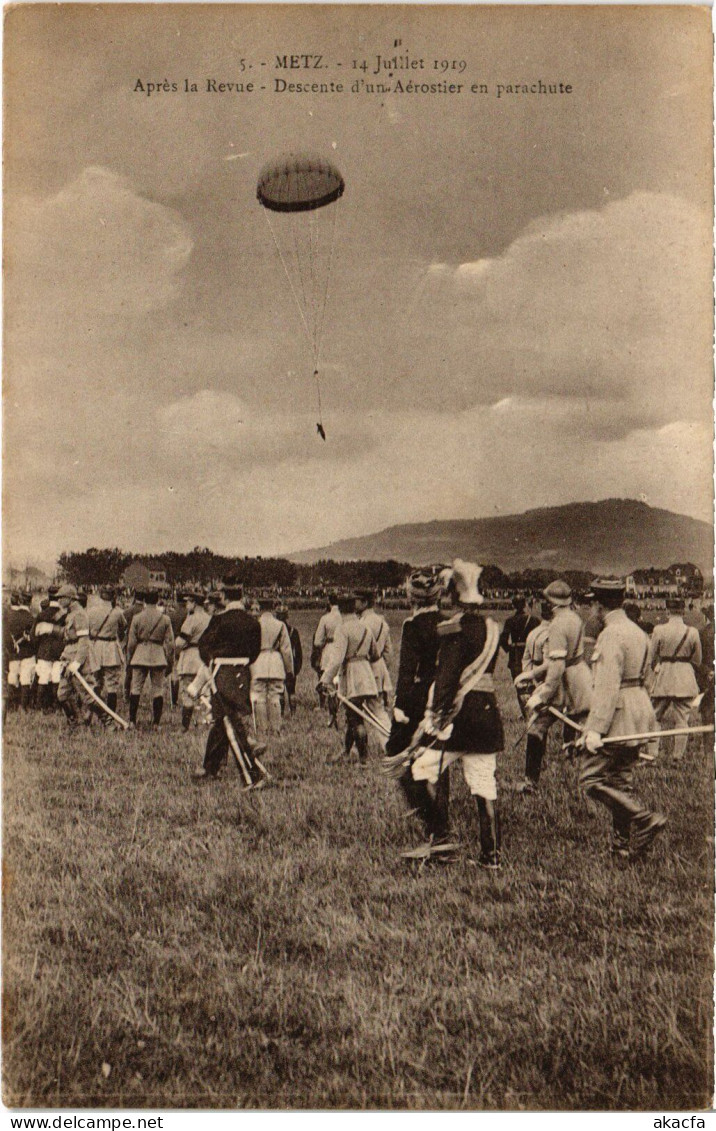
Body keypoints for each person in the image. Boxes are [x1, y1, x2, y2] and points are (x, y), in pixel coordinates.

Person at [409, 560, 504, 869]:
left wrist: (435, 716)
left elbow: (447, 678)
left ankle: (441, 842)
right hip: (486, 715)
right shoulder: (492, 629)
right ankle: (490, 858)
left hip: (457, 718)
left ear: (454, 598)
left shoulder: (453, 629)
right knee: (483, 784)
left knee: (422, 769)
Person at [577, 579, 665, 860]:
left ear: (599, 605)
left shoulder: (611, 635)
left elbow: (607, 686)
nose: (592, 609)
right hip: (639, 708)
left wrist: (595, 730)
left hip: (619, 711)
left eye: (592, 603)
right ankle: (621, 848)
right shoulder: (638, 631)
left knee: (591, 780)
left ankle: (644, 818)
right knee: (620, 781)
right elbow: (648, 677)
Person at [386, 565, 451, 852]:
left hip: (421, 695)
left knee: (398, 751)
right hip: (448, 695)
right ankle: (439, 812)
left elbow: (406, 670)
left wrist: (400, 706)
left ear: (412, 598)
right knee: (440, 756)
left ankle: (431, 819)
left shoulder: (412, 626)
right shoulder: (451, 623)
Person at [193, 577, 266, 787]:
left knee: (230, 722)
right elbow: (255, 651)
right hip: (242, 672)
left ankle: (250, 773)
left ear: (224, 597)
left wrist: (211, 662)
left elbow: (204, 645)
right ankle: (210, 767)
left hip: (221, 672)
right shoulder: (252, 622)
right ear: (242, 598)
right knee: (223, 719)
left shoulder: (219, 620)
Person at [321, 594, 390, 764]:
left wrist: (326, 679)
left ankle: (364, 760)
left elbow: (336, 659)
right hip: (367, 673)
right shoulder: (365, 628)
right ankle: (346, 751)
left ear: (340, 610)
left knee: (355, 718)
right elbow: (375, 654)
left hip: (352, 675)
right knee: (359, 715)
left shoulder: (342, 629)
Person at [525, 579, 593, 745]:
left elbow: (557, 665)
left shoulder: (557, 624)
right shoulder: (575, 618)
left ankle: (532, 772)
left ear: (551, 603)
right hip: (581, 677)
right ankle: (572, 758)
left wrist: (543, 695)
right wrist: (533, 673)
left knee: (536, 726)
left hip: (565, 681)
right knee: (582, 725)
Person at [648, 595, 702, 762]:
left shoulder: (658, 630)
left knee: (655, 716)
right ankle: (677, 756)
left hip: (664, 675)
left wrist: (656, 668)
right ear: (683, 611)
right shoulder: (692, 632)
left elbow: (651, 657)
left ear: (667, 611)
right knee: (682, 719)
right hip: (684, 677)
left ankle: (652, 754)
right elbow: (697, 659)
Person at [512, 599, 554, 793]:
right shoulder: (552, 634)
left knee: (536, 726)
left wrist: (530, 680)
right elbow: (550, 664)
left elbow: (525, 659)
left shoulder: (533, 633)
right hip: (549, 682)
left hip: (536, 681)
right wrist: (540, 682)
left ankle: (531, 776)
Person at [126, 591, 174, 727]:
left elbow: (131, 643)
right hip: (158, 655)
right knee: (158, 689)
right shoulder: (165, 619)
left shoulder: (137, 618)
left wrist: (130, 658)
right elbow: (170, 643)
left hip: (140, 654)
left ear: (145, 602)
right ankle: (156, 723)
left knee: (135, 688)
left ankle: (132, 721)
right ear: (158, 600)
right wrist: (170, 661)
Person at [55, 584, 100, 726]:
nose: (59, 601)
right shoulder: (70, 613)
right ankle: (74, 720)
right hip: (68, 657)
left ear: (69, 598)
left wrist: (77, 662)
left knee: (88, 694)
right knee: (62, 694)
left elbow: (84, 640)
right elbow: (69, 634)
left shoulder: (79, 614)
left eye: (61, 598)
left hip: (78, 659)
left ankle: (107, 721)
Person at [250, 599, 294, 735]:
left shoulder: (255, 625)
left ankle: (262, 729)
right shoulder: (280, 625)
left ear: (260, 608)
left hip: (258, 662)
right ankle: (276, 728)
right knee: (275, 696)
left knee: (259, 696)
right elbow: (286, 650)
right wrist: (289, 670)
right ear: (273, 608)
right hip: (275, 661)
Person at [88, 586, 127, 716]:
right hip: (110, 648)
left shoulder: (91, 611)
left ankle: (90, 713)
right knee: (112, 685)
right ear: (113, 597)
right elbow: (123, 628)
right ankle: (111, 716)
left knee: (95, 682)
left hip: (96, 647)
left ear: (100, 596)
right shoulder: (117, 612)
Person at [175, 591, 211, 730]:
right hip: (205, 657)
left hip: (190, 656)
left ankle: (185, 726)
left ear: (194, 603)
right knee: (204, 692)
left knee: (187, 691)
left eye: (189, 602)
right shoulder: (209, 618)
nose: (187, 605)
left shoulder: (191, 619)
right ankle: (205, 723)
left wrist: (177, 644)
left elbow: (180, 642)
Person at [355, 590, 394, 709]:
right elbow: (388, 652)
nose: (353, 604)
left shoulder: (361, 624)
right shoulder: (382, 622)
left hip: (363, 670)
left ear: (364, 603)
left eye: (356, 601)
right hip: (379, 668)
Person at [32, 594, 65, 712]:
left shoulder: (42, 615)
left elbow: (33, 637)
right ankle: (56, 705)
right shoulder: (64, 615)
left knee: (43, 678)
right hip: (59, 652)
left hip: (44, 651)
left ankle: (40, 705)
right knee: (56, 678)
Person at [499, 595, 539, 690]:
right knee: (533, 685)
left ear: (513, 605)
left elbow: (503, 640)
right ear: (525, 604)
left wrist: (510, 648)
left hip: (515, 655)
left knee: (519, 685)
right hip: (531, 654)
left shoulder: (510, 621)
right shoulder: (534, 620)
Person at [5, 591, 36, 712]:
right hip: (28, 653)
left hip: (14, 653)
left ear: (20, 601)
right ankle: (23, 707)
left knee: (12, 677)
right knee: (26, 679)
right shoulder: (32, 618)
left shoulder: (10, 616)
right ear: (30, 602)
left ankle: (10, 706)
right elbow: (34, 638)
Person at [311, 594, 341, 713]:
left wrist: (324, 641)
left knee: (325, 677)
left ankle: (323, 705)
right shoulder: (344, 618)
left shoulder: (325, 618)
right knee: (338, 678)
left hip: (329, 649)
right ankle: (338, 702)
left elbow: (317, 641)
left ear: (329, 603)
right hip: (341, 648)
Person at [276, 606, 303, 714]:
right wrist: (297, 665)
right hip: (291, 661)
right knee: (291, 690)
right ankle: (293, 712)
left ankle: (281, 712)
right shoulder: (293, 631)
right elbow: (299, 651)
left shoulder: (276, 630)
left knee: (280, 690)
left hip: (279, 661)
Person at [697, 604, 714, 752]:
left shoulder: (702, 633)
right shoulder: (703, 633)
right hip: (710, 677)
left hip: (709, 679)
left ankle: (708, 748)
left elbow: (697, 660)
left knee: (708, 714)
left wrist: (706, 671)